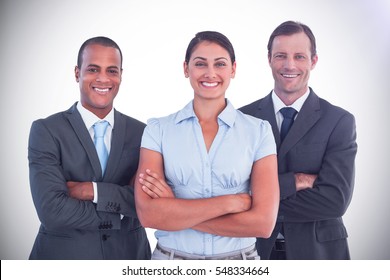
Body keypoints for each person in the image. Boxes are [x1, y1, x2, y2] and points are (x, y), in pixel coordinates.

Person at [134, 31, 279, 260]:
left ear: (233, 69)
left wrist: (175, 210)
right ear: (186, 69)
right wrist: (230, 202)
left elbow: (262, 224)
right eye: (200, 64)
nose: (210, 73)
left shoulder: (259, 131)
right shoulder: (157, 131)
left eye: (219, 64)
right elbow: (149, 215)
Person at [239, 21, 358, 260]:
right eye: (281, 55)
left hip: (319, 254)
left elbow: (335, 200)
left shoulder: (339, 121)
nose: (289, 65)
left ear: (313, 61)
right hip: (253, 252)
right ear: (269, 59)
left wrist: (257, 205)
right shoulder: (242, 119)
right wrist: (296, 181)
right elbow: (229, 188)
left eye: (299, 57)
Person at [28, 36, 151, 259]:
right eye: (93, 69)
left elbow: (150, 205)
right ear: (77, 73)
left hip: (129, 257)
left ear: (121, 75)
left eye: (112, 71)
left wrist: (92, 191)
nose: (103, 79)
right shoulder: (46, 130)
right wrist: (120, 214)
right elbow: (52, 211)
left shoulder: (144, 133)